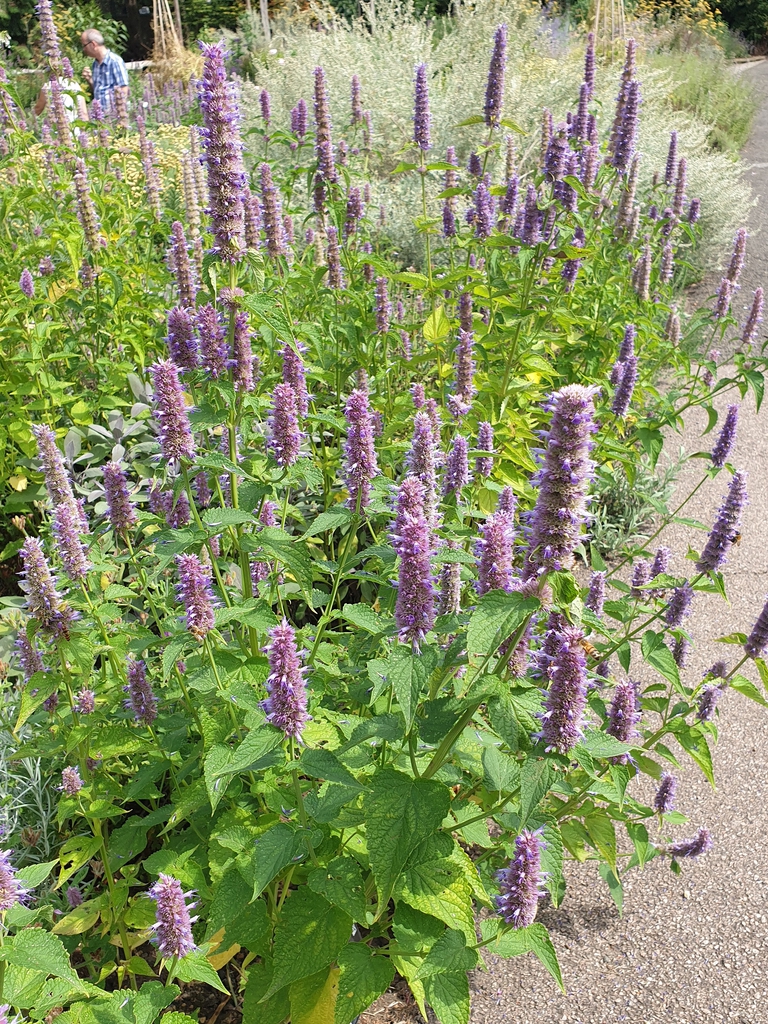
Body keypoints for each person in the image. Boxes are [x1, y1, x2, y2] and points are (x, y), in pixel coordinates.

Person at [80, 29, 128, 115]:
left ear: (93, 44)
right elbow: (98, 91)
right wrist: (89, 80)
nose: (83, 49)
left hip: (114, 115)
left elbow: (124, 89)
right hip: (101, 116)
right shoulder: (95, 64)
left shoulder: (115, 61)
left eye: (84, 45)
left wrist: (120, 115)